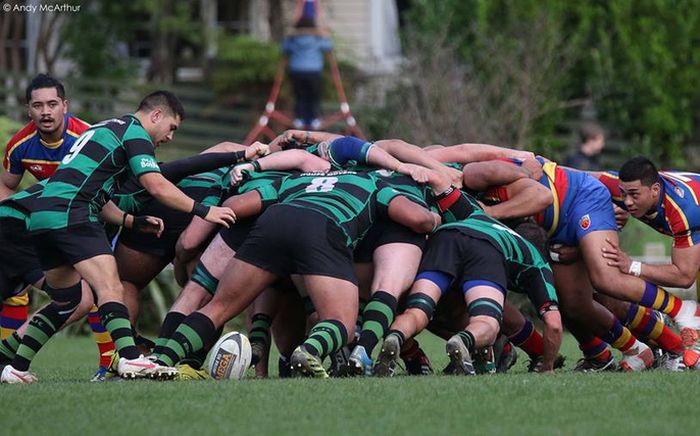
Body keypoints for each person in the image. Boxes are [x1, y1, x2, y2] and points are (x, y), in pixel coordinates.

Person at [0, 90, 236, 383]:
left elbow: (102, 195)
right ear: (156, 115)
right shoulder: (134, 133)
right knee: (110, 285)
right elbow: (157, 185)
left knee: (68, 302)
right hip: (71, 214)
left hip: (43, 216)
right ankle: (131, 358)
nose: (170, 137)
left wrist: (133, 221)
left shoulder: (102, 128)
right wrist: (205, 211)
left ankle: (16, 368)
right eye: (172, 128)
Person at [0, 74, 118, 378]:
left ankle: (107, 365)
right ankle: (7, 363)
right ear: (28, 110)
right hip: (49, 225)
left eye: (52, 104)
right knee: (22, 290)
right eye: (38, 105)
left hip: (92, 217)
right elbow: (5, 187)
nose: (46, 112)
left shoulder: (85, 136)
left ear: (65, 105)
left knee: (92, 292)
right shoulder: (20, 145)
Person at [595, 156, 700, 368]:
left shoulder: (683, 210)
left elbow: (684, 276)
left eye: (634, 195)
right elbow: (572, 177)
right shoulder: (623, 185)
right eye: (623, 195)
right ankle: (673, 343)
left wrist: (632, 266)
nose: (627, 202)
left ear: (654, 190)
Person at [282, 10, 332, 130]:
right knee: (314, 96)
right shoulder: (316, 38)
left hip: (297, 71)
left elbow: (284, 49)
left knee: (300, 96)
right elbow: (328, 47)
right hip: (313, 71)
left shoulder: (293, 39)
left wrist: (288, 38)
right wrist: (325, 35)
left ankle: (299, 118)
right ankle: (314, 118)